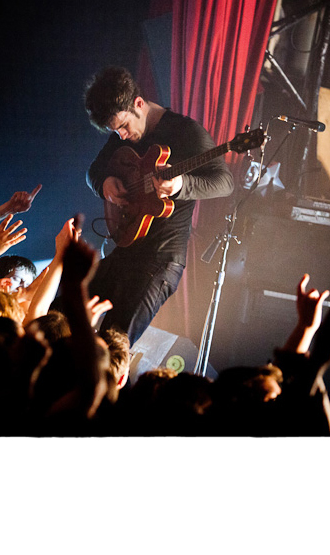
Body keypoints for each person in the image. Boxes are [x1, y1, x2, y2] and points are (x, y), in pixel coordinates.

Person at [84, 66, 233, 346]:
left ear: (139, 103)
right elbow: (93, 171)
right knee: (60, 312)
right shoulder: (122, 132)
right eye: (115, 131)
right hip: (126, 249)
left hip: (160, 259)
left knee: (113, 344)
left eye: (124, 126)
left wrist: (181, 185)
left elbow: (225, 182)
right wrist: (104, 183)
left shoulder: (186, 132)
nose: (121, 136)